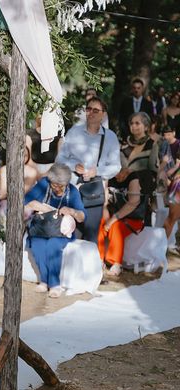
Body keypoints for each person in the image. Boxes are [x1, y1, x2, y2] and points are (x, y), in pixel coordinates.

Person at [56, 96, 121, 244]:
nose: (91, 113)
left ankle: (88, 266)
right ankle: (70, 266)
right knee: (70, 232)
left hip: (94, 191)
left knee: (90, 236)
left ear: (103, 114)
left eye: (96, 110)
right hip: (72, 188)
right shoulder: (74, 132)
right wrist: (74, 166)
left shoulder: (110, 137)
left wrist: (96, 171)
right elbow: (60, 159)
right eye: (88, 109)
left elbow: (116, 166)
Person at [24, 164, 86, 298]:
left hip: (60, 231)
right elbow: (25, 202)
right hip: (41, 228)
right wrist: (34, 205)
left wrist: (72, 211)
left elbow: (82, 217)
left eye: (61, 186)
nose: (57, 188)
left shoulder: (73, 191)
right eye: (54, 185)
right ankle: (44, 281)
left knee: (53, 246)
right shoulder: (43, 184)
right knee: (37, 246)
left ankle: (54, 284)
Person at [100, 165, 156, 276]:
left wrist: (112, 220)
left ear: (125, 170)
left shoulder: (133, 178)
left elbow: (133, 203)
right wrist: (105, 211)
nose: (116, 176)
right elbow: (104, 200)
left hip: (133, 217)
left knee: (116, 227)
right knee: (100, 223)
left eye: (118, 173)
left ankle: (116, 263)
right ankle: (99, 259)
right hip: (114, 213)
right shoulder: (109, 176)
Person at [0, 143, 39, 214]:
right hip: (7, 199)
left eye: (25, 156)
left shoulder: (32, 171)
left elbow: (24, 190)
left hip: (25, 201)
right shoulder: (4, 169)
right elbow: (4, 190)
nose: (22, 158)